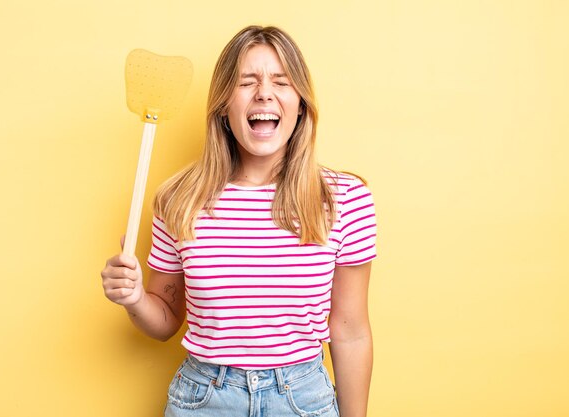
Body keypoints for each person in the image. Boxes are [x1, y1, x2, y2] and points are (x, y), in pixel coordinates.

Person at [101, 25, 377, 417]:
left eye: (281, 81)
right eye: (247, 82)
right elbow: (164, 320)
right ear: (223, 107)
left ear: (300, 104)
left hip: (303, 399)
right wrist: (133, 299)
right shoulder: (179, 199)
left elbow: (350, 332)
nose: (264, 92)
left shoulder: (343, 199)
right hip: (203, 399)